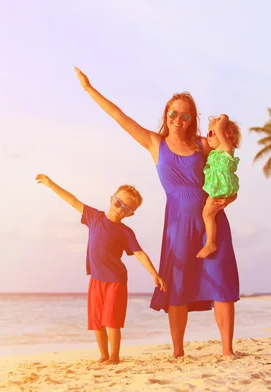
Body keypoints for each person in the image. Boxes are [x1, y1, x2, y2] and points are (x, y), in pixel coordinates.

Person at [74, 66, 239, 358]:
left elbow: (227, 159)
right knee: (177, 287)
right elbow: (119, 117)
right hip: (177, 223)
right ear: (166, 114)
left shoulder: (202, 145)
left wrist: (231, 194)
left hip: (209, 219)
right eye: (173, 113)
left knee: (222, 282)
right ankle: (178, 352)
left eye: (185, 115)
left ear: (192, 119)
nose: (178, 119)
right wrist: (88, 89)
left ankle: (227, 350)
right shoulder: (155, 143)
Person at [35, 173, 166, 364]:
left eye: (126, 209)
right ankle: (103, 355)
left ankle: (114, 356)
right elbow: (72, 200)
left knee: (112, 320)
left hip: (116, 281)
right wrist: (50, 184)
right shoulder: (94, 217)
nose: (120, 209)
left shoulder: (125, 232)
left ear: (131, 214)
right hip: (96, 279)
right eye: (118, 203)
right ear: (111, 199)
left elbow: (139, 253)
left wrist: (154, 274)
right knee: (96, 321)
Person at [196, 114, 242, 258]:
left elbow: (220, 129)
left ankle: (211, 243)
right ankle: (210, 241)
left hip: (220, 187)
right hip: (222, 187)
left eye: (211, 133)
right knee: (209, 213)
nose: (208, 137)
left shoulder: (225, 147)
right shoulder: (216, 152)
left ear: (226, 135)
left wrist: (223, 118)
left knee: (207, 214)